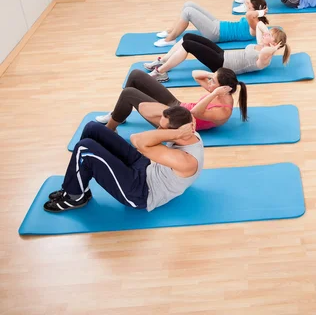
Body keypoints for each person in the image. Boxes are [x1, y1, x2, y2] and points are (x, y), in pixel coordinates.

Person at [43, 107, 204, 212]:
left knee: (85, 148)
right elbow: (148, 114)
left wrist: (174, 134)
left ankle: (74, 197)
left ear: (178, 132)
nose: (158, 130)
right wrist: (177, 129)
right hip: (145, 168)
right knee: (92, 128)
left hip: (140, 192)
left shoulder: (185, 160)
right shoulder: (190, 132)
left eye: (163, 128)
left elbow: (137, 140)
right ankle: (79, 187)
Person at [95, 68, 247, 131]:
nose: (209, 82)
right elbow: (195, 74)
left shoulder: (222, 111)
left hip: (175, 121)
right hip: (177, 105)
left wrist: (213, 93)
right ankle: (118, 115)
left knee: (128, 93)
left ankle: (110, 129)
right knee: (136, 75)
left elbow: (195, 111)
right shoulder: (220, 91)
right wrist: (213, 77)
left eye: (213, 81)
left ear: (222, 87)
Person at [144, 27, 290, 82]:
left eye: (269, 34)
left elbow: (267, 51)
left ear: (274, 44)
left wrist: (275, 47)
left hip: (221, 64)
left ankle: (161, 73)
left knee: (187, 45)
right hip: (222, 54)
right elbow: (259, 25)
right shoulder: (260, 44)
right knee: (188, 36)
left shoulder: (266, 57)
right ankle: (162, 61)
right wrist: (268, 35)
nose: (266, 33)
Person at [153, 0, 269, 47]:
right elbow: (250, 9)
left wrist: (262, 12)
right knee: (189, 4)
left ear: (255, 11)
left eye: (249, 5)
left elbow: (249, 14)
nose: (246, 5)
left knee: (188, 12)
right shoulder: (253, 17)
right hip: (218, 24)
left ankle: (170, 39)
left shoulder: (255, 24)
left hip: (216, 33)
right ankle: (172, 31)